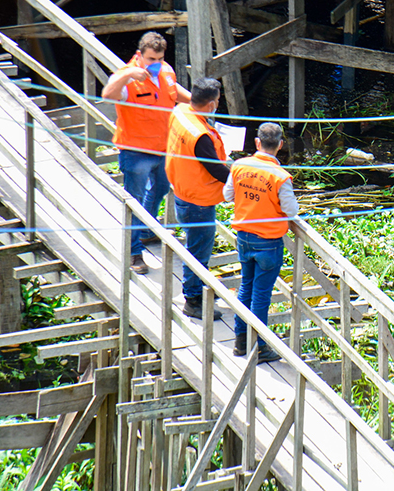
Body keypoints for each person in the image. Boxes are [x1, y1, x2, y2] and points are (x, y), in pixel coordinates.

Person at [102, 32, 190, 274]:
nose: (155, 63)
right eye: (151, 58)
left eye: (160, 58)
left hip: (164, 148)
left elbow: (173, 91)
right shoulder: (126, 76)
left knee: (160, 189)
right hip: (136, 151)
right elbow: (108, 95)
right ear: (139, 55)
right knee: (135, 201)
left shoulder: (165, 70)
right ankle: (134, 253)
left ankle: (146, 230)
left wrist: (196, 102)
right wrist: (129, 75)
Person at [224, 122, 299, 362]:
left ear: (257, 143)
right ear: (280, 145)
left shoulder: (239, 165)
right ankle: (259, 347)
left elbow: (227, 195)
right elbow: (291, 210)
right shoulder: (280, 176)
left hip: (244, 238)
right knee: (261, 296)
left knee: (246, 288)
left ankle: (240, 341)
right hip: (268, 242)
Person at [165, 77, 228, 321]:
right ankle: (192, 300)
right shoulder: (201, 136)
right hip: (199, 201)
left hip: (182, 190)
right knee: (198, 251)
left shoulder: (180, 112)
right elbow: (217, 170)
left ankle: (195, 290)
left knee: (194, 244)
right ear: (211, 104)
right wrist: (241, 178)